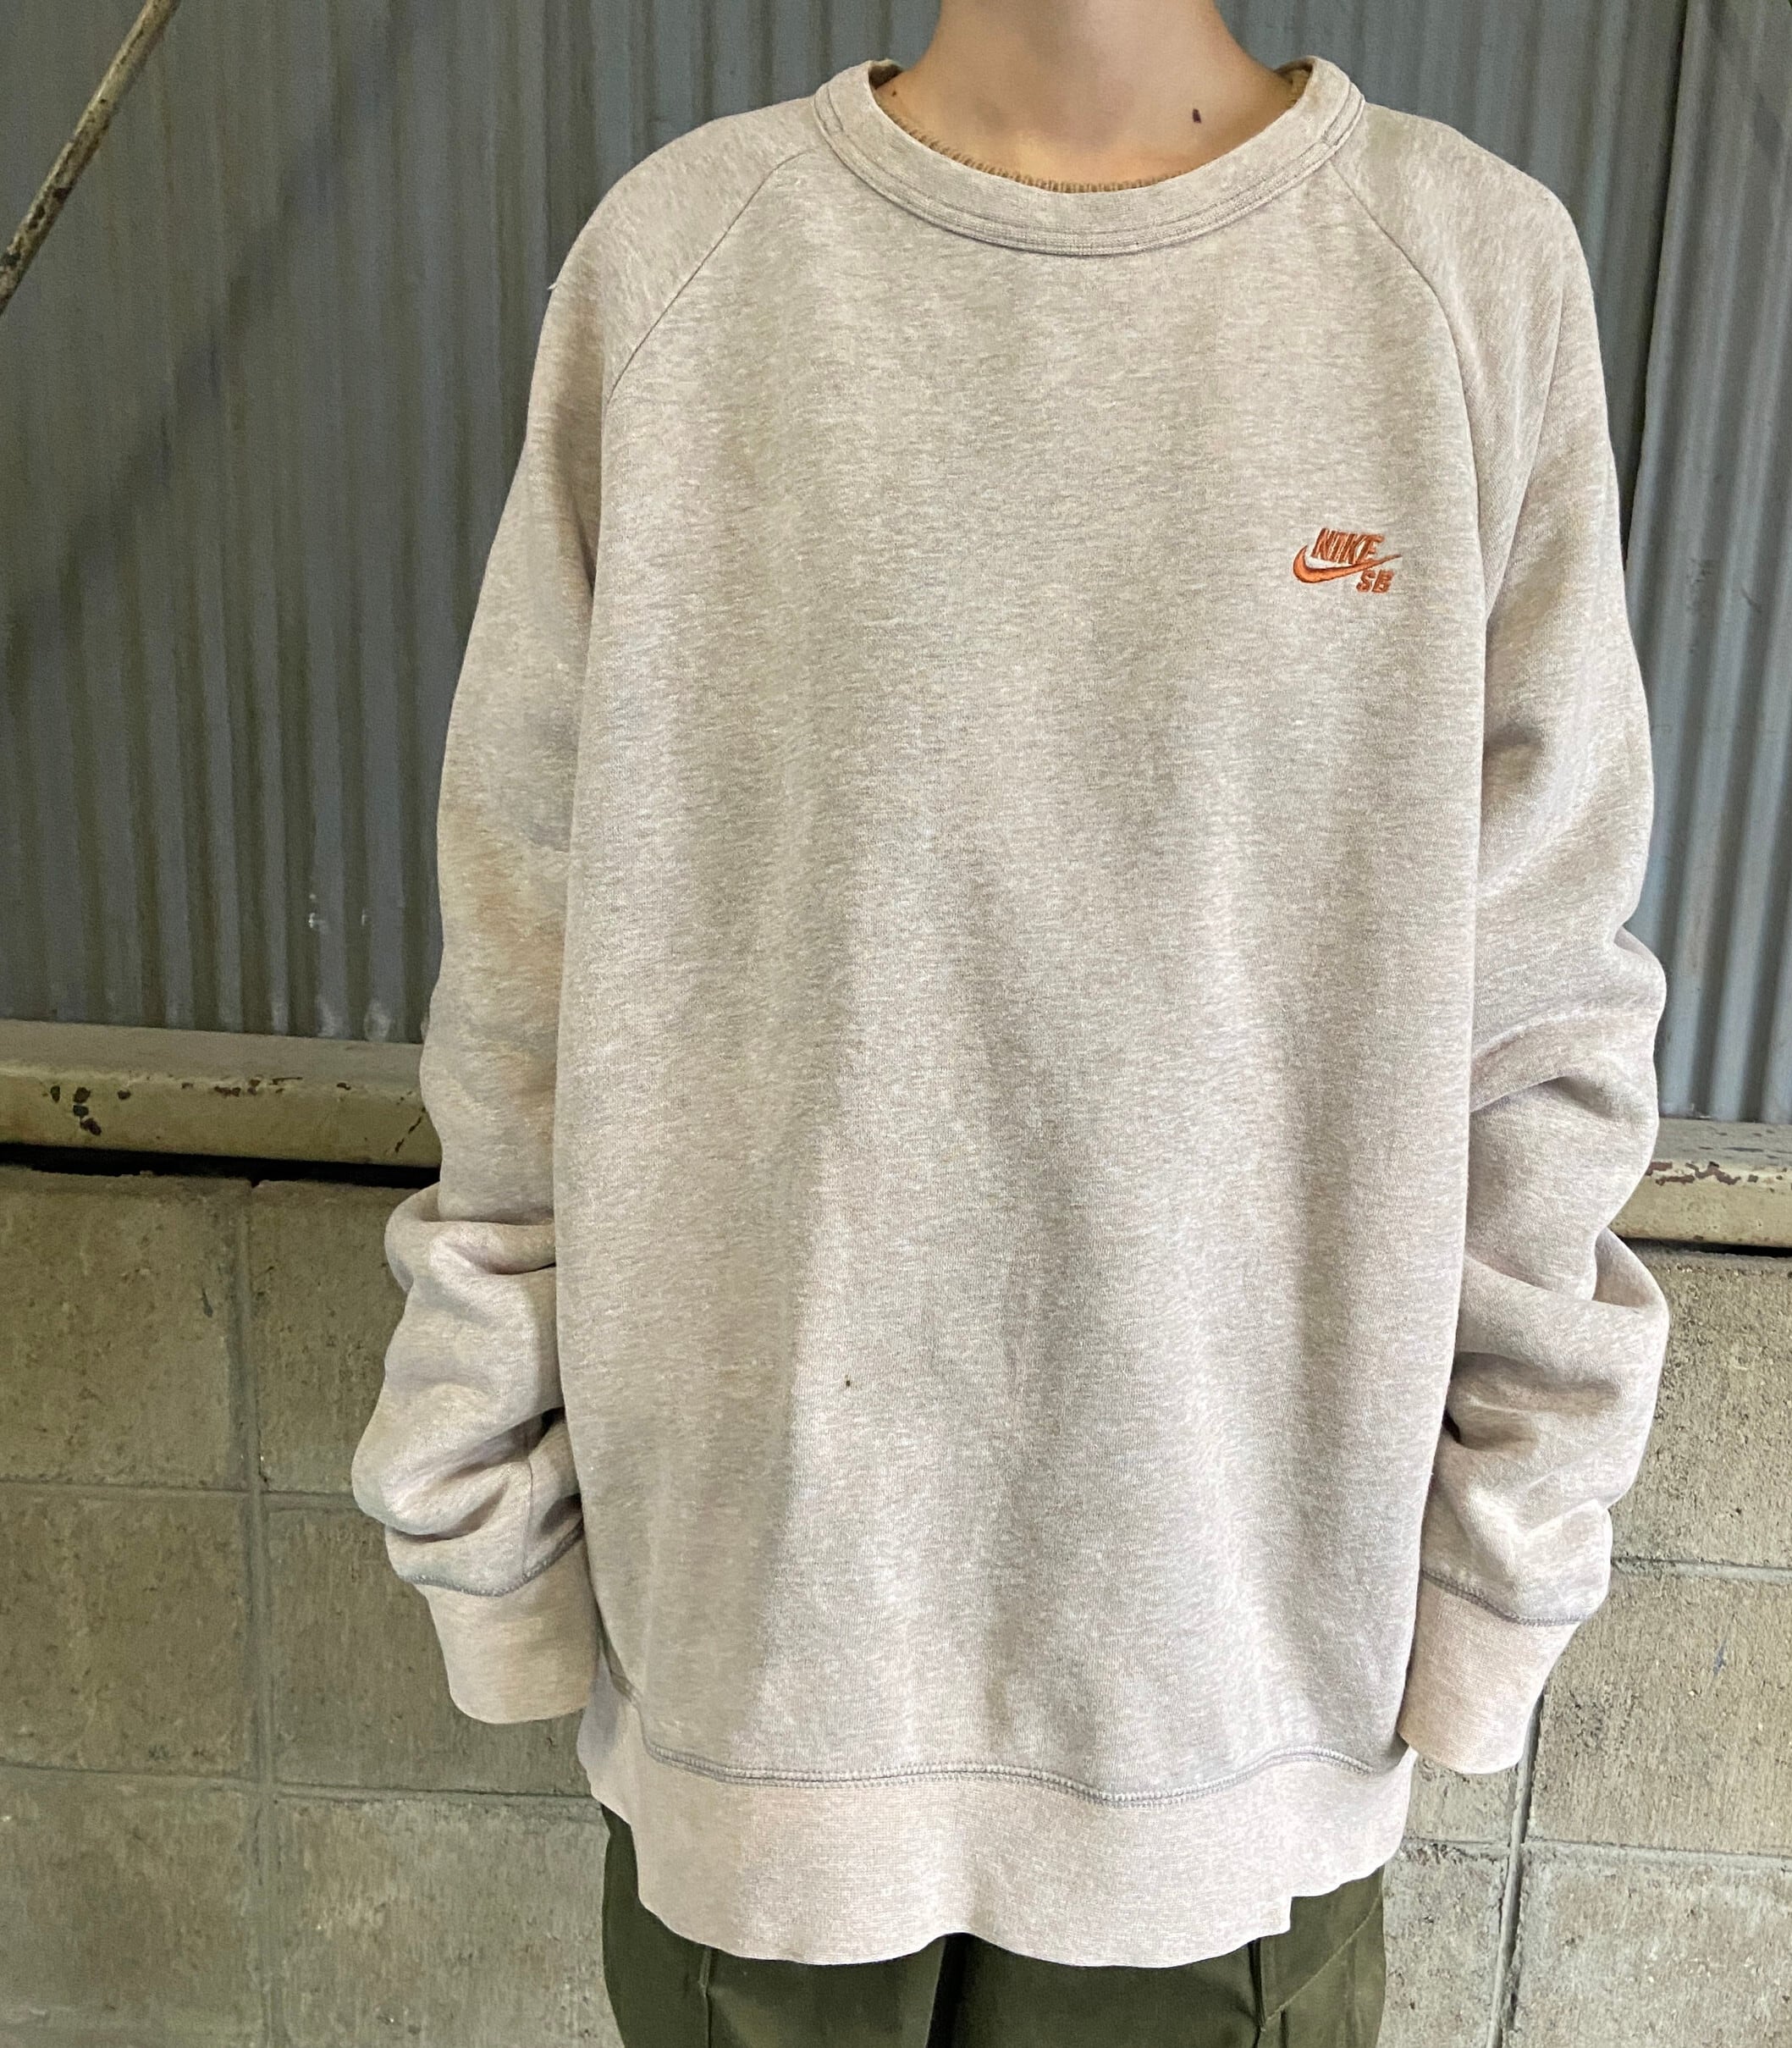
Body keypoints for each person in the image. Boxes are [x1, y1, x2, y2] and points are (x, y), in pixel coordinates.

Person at [350, 1, 1671, 2040]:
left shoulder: (1460, 275)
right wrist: (488, 1509)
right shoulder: (688, 263)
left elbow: (1542, 1001)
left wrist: (1504, 1555)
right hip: (762, 1690)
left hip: (1228, 1709)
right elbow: (529, 944)